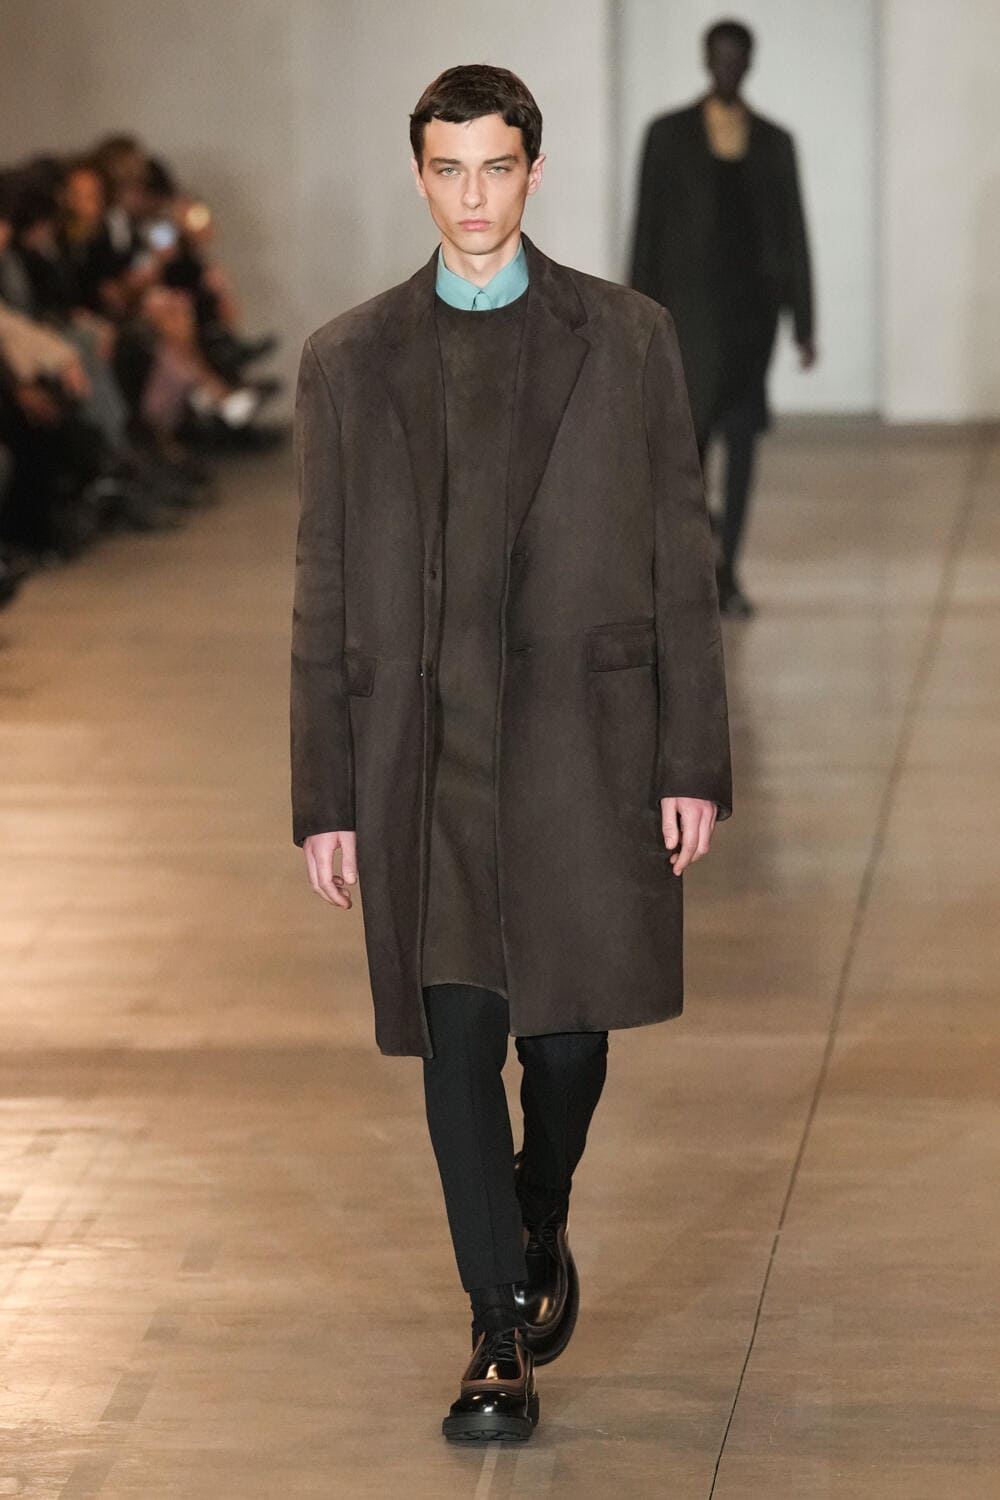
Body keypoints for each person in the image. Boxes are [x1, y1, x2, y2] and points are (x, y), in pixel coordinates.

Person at [291, 64, 732, 1444]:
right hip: (422, 761)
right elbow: (320, 589)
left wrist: (691, 759)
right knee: (456, 1040)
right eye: (448, 169)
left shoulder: (629, 338)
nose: (471, 197)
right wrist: (324, 795)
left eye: (494, 167)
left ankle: (540, 1208)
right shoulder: (350, 359)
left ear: (534, 171)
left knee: (569, 1043)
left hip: (580, 751)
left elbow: (680, 557)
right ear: (419, 175)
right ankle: (496, 1333)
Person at [630, 17, 816, 617]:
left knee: (741, 446)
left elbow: (793, 233)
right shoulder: (668, 136)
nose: (728, 68)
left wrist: (804, 323)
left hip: (750, 323)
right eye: (720, 58)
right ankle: (693, 572)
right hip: (687, 322)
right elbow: (647, 232)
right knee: (686, 454)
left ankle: (728, 572)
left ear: (749, 63)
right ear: (706, 60)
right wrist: (633, 322)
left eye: (737, 59)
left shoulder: (774, 142)